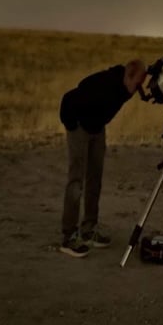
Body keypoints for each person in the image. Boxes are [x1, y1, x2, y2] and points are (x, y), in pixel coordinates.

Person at [59, 57, 147, 256]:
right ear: (129, 76)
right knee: (76, 182)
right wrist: (72, 125)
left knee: (95, 179)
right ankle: (69, 236)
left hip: (97, 128)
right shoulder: (103, 84)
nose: (139, 89)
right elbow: (69, 98)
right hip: (79, 125)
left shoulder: (125, 87)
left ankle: (89, 229)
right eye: (138, 83)